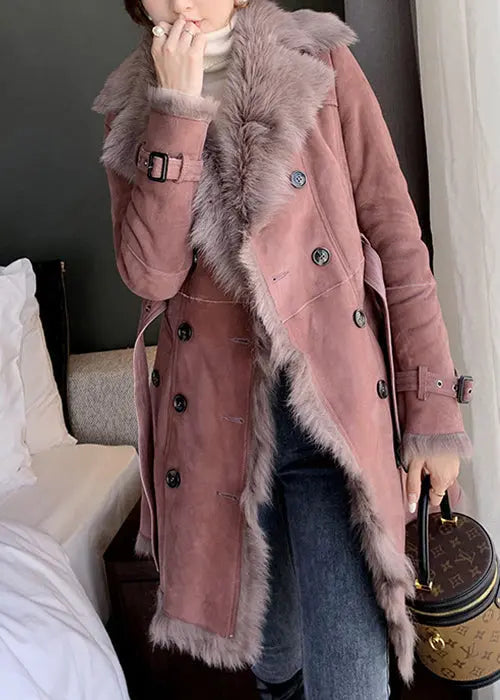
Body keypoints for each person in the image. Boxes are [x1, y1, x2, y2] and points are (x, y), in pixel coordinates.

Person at [91, 1, 474, 698]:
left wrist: (433, 410)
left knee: (352, 680)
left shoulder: (317, 59)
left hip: (333, 415)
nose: (181, 2)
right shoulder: (130, 109)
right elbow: (151, 276)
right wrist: (175, 110)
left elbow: (396, 236)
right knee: (275, 665)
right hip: (221, 436)